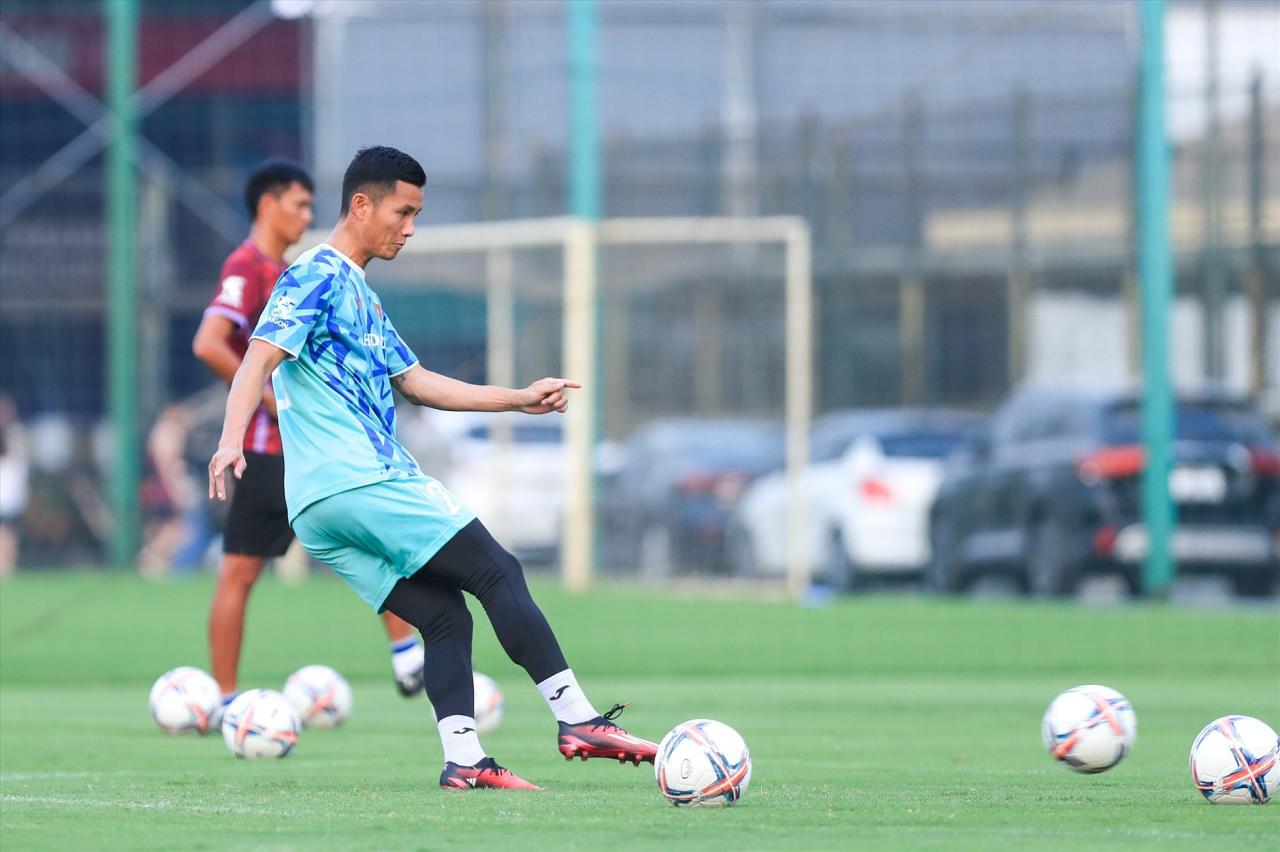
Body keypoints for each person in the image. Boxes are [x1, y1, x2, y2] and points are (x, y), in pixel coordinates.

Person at [208, 146, 657, 790]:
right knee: (498, 569)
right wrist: (232, 441)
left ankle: (465, 761)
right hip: (361, 480)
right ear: (361, 205)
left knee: (445, 615)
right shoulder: (315, 274)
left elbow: (416, 383)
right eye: (404, 211)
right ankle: (578, 719)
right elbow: (255, 359)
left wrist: (517, 398)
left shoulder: (358, 292)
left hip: (318, 511)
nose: (410, 228)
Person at [193, 160, 426, 718]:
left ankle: (409, 655)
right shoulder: (248, 267)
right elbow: (210, 341)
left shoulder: (309, 268)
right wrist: (270, 401)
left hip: (321, 449)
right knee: (242, 570)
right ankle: (226, 699)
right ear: (267, 205)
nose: (307, 214)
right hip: (271, 452)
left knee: (376, 543)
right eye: (298, 204)